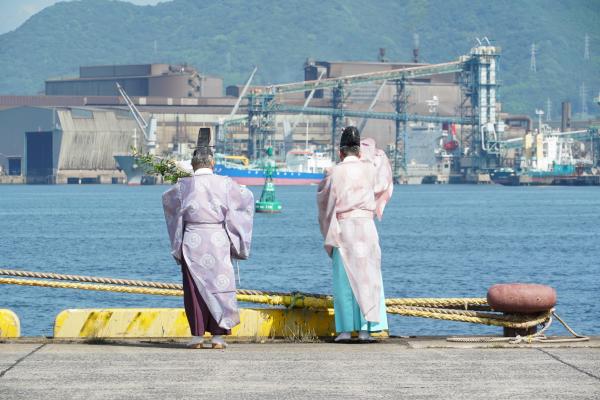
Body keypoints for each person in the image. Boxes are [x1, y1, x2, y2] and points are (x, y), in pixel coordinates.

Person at [162, 129, 254, 349]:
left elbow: (168, 202)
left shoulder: (183, 185)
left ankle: (196, 336)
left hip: (192, 239)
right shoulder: (225, 183)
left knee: (194, 288)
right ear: (211, 163)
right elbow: (244, 200)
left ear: (193, 165)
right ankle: (218, 337)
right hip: (217, 238)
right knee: (219, 285)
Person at [317, 126, 393, 342]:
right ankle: (366, 329)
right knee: (369, 277)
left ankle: (344, 330)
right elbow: (378, 158)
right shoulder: (370, 168)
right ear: (359, 151)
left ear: (339, 152)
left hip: (344, 227)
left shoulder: (334, 172)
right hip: (367, 228)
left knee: (344, 280)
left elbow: (324, 204)